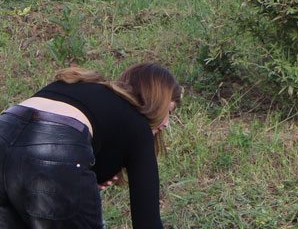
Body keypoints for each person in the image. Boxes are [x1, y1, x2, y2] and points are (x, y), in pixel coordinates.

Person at [0, 63, 182, 229]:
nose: (166, 123)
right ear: (156, 103)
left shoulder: (82, 87)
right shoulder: (138, 125)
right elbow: (147, 222)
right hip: (55, 145)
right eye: (169, 111)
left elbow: (28, 140)